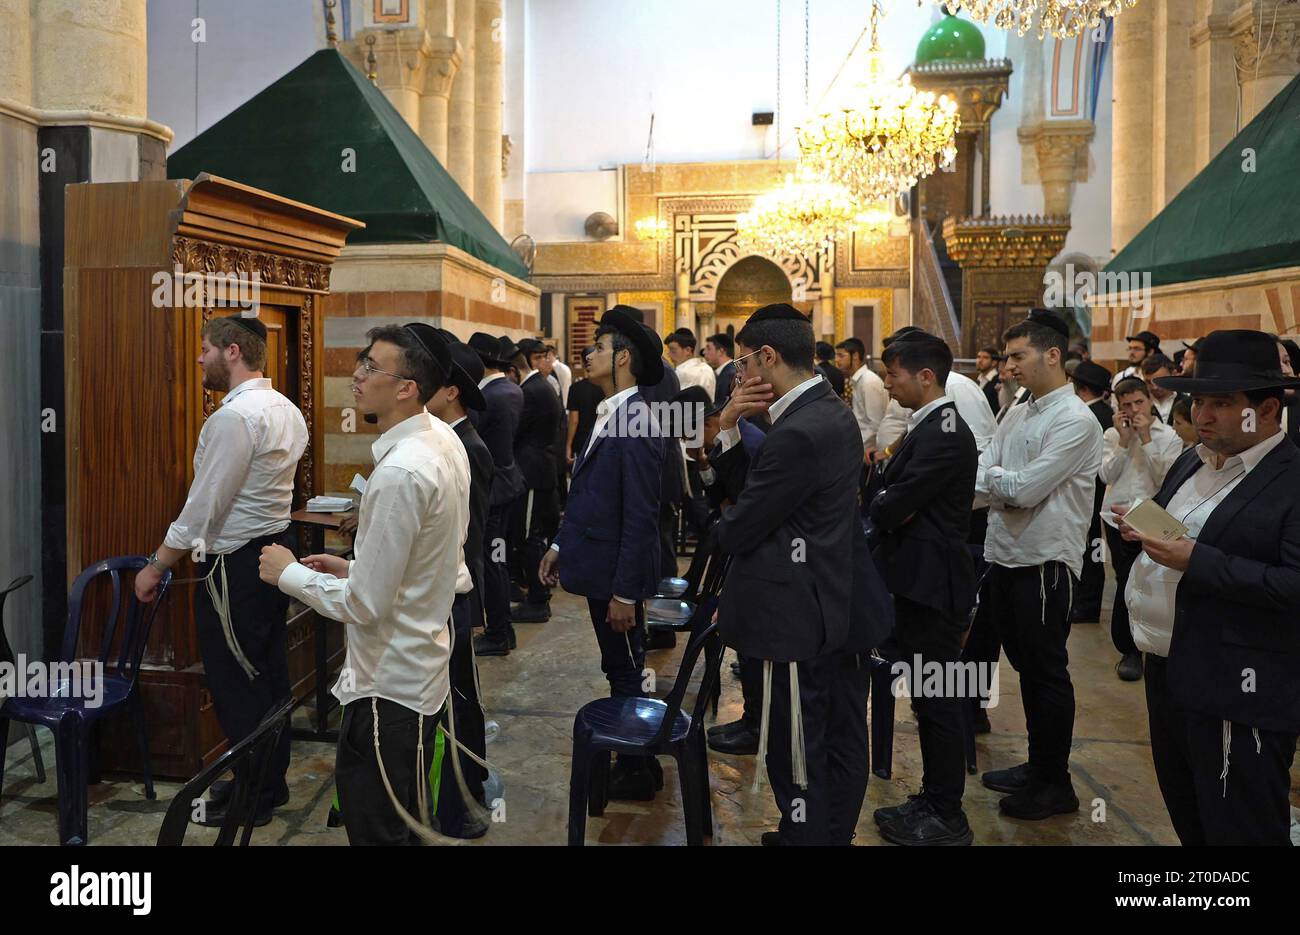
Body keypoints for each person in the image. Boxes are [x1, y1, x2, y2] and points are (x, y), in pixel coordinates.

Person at [259, 324, 470, 845]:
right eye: (362, 361)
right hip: (420, 673)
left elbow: (366, 606)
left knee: (379, 830)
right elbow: (428, 563)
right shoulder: (440, 439)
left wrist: (289, 574)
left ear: (407, 388)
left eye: (372, 366)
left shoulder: (402, 471)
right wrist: (351, 565)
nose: (357, 375)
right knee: (404, 821)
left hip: (387, 688)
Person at [708, 303, 885, 846]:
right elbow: (760, 490)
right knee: (826, 733)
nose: (739, 376)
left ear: (768, 356)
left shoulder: (800, 430)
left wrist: (703, 515)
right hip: (827, 600)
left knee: (801, 746)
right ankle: (810, 831)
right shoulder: (820, 411)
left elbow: (737, 526)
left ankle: (811, 835)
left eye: (742, 363)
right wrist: (732, 425)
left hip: (799, 612)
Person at [1119, 329, 1300, 846]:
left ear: (1267, 410)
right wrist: (1143, 526)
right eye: (1199, 400)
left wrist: (1198, 560)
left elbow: (1292, 584)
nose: (1202, 415)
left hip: (1238, 684)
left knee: (1240, 825)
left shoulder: (1290, 480)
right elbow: (1182, 530)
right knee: (1190, 814)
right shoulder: (1191, 460)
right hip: (1169, 670)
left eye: (1222, 402)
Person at [134, 314, 306, 827]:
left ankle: (255, 797)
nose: (199, 358)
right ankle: (264, 784)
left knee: (238, 683)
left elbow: (205, 505)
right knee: (267, 675)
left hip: (237, 565)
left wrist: (156, 564)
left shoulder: (235, 417)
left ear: (233, 352)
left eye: (206, 348)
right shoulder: (284, 407)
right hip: (272, 550)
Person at [975, 309, 1103, 820]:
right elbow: (983, 468)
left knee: (1047, 673)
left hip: (1045, 563)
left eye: (1016, 356)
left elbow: (1024, 489)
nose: (1008, 366)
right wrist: (1005, 483)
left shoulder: (1076, 420)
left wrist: (1003, 484)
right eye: (1006, 357)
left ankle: (1056, 783)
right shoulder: (1019, 409)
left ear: (1052, 355)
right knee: (1026, 670)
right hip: (1005, 555)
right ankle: (1037, 764)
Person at [540, 308, 667, 799]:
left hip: (616, 574)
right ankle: (633, 761)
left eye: (598, 347)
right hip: (599, 563)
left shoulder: (635, 421)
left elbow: (639, 517)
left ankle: (638, 768)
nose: (588, 354)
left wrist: (624, 592)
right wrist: (558, 543)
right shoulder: (611, 411)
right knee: (618, 666)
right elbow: (591, 497)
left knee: (627, 669)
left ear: (623, 357)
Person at [869, 333, 978, 846]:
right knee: (927, 699)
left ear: (926, 376)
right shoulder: (930, 424)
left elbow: (893, 501)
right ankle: (933, 797)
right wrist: (890, 497)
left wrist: (890, 499)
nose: (888, 384)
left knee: (939, 702)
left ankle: (948, 815)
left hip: (935, 586)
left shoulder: (947, 429)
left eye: (894, 374)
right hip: (916, 582)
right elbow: (888, 493)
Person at [427, 337, 493, 839]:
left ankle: (465, 798)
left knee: (460, 701)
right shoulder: (448, 438)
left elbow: (471, 538)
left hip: (456, 594)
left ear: (451, 390)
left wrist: (469, 610)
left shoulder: (467, 445)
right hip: (453, 594)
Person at [1099, 377, 1183, 682]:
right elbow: (1106, 473)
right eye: (1126, 405)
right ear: (1118, 408)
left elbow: (1165, 478)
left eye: (1139, 402)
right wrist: (1123, 441)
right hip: (1116, 517)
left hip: (1151, 520)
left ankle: (1152, 641)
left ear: (1150, 401)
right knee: (1123, 583)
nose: (1134, 410)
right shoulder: (1112, 435)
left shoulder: (1168, 436)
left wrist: (1146, 437)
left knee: (1148, 581)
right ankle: (1129, 650)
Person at [466, 332, 525, 657]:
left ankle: (499, 632)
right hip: (507, 483)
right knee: (498, 560)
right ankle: (504, 630)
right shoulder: (511, 388)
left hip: (494, 491)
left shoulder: (491, 396)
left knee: (492, 563)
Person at [509, 338, 564, 624]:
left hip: (532, 471)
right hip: (540, 468)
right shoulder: (539, 386)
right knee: (533, 535)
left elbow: (519, 432)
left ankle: (538, 599)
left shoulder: (532, 389)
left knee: (529, 537)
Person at [1069, 360, 1114, 624]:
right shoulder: (1104, 412)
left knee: (1091, 549)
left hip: (1091, 492)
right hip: (1097, 493)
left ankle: (1087, 604)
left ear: (1081, 388)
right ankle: (1086, 601)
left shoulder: (1090, 416)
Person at [836, 336, 889, 461]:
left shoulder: (868, 382)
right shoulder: (858, 380)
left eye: (841, 355)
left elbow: (875, 423)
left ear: (855, 356)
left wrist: (858, 449)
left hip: (866, 452)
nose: (836, 360)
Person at [566, 346, 603, 468]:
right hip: (601, 438)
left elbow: (574, 420)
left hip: (582, 440)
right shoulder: (606, 386)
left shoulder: (575, 388)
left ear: (582, 363)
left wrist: (568, 445)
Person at [667, 328, 717, 401]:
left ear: (688, 350)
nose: (669, 354)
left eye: (673, 350)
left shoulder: (681, 372)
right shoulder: (707, 368)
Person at [1140, 352, 1178, 424]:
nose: (1154, 387)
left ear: (1173, 374)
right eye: (1148, 382)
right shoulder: (1139, 404)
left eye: (1159, 381)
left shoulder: (1188, 401)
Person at [704, 332, 736, 409]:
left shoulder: (730, 374)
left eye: (708, 348)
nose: (704, 352)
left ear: (721, 351)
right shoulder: (726, 371)